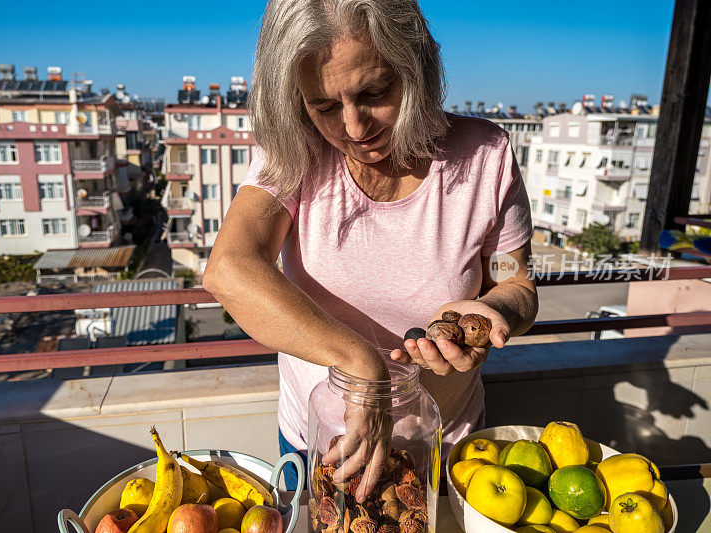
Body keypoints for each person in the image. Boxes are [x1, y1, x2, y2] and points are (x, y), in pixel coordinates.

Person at [203, 0, 538, 499]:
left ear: (416, 66)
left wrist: (491, 311)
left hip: (446, 454)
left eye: (375, 92)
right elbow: (229, 268)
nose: (355, 128)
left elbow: (516, 281)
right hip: (319, 449)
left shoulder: (488, 158)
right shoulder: (294, 154)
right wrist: (363, 366)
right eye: (324, 107)